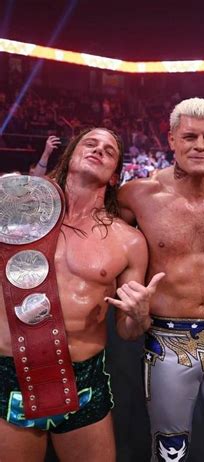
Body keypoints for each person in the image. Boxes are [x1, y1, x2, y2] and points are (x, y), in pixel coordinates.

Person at [0, 127, 163, 461]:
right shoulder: (15, 213)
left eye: (109, 150)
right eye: (90, 143)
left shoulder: (129, 241)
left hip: (82, 378)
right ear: (70, 155)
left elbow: (127, 331)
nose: (98, 150)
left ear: (116, 175)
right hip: (10, 371)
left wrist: (139, 314)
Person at [118, 98, 204, 461]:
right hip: (167, 342)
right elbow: (92, 230)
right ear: (171, 139)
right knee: (170, 451)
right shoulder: (137, 194)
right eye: (190, 136)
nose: (200, 146)